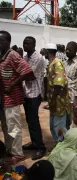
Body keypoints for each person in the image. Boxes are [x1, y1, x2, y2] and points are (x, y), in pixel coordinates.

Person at [0, 31, 35, 164]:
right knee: (5, 126)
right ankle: (10, 149)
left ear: (8, 42)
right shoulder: (2, 55)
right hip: (3, 99)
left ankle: (18, 153)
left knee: (13, 126)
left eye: (1, 41)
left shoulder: (12, 55)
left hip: (12, 98)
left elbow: (27, 71)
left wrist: (13, 84)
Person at [22, 36, 46, 160]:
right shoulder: (25, 57)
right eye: (24, 43)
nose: (25, 45)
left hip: (34, 94)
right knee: (29, 120)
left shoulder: (38, 58)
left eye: (28, 43)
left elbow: (28, 74)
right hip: (26, 93)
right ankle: (34, 142)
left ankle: (41, 148)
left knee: (34, 121)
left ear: (34, 45)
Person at [46, 43, 70, 142]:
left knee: (59, 126)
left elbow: (58, 84)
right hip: (54, 100)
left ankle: (61, 147)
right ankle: (58, 145)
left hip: (59, 100)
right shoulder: (52, 63)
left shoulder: (57, 63)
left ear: (48, 52)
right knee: (53, 125)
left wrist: (52, 99)